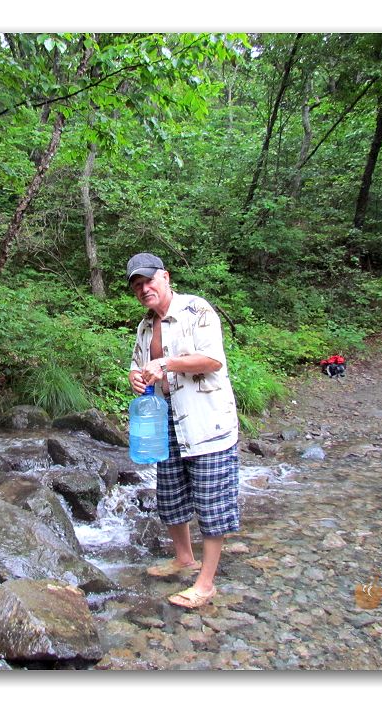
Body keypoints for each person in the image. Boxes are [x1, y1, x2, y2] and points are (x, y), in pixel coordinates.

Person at [126, 252, 240, 609]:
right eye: (137, 285)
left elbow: (212, 360)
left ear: (166, 277)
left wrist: (167, 363)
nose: (144, 289)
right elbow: (138, 366)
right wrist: (134, 375)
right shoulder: (144, 327)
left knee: (211, 501)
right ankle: (183, 559)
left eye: (149, 281)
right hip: (167, 422)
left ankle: (205, 585)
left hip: (207, 421)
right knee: (171, 494)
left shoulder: (197, 310)